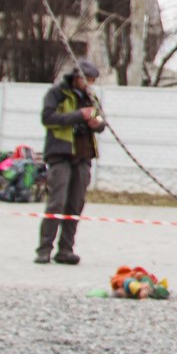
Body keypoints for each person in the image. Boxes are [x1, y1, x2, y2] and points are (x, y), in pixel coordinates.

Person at [36, 59, 105, 266]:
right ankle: (44, 249)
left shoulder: (90, 97)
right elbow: (48, 118)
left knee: (76, 203)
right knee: (57, 201)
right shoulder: (56, 93)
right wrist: (78, 115)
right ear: (77, 77)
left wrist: (97, 123)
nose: (89, 84)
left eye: (92, 81)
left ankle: (66, 249)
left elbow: (101, 121)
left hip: (83, 155)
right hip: (61, 154)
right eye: (87, 80)